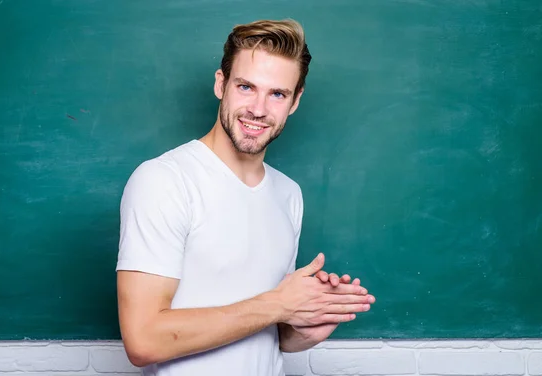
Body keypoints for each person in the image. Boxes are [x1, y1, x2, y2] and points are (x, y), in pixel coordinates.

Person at [116, 19, 376, 376]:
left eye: (277, 94)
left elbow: (268, 332)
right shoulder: (165, 181)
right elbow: (143, 341)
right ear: (221, 84)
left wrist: (305, 326)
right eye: (246, 87)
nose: (258, 108)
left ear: (295, 101)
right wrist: (278, 304)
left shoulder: (288, 194)